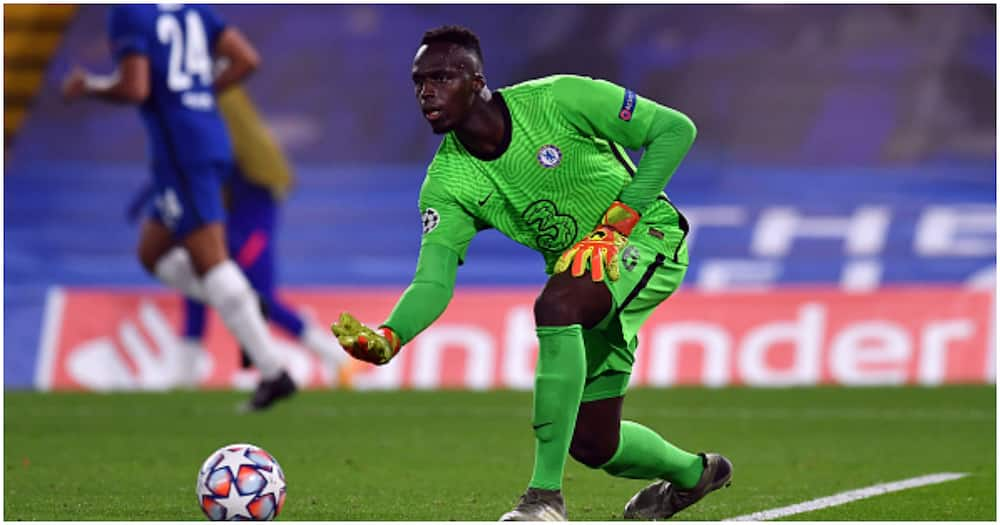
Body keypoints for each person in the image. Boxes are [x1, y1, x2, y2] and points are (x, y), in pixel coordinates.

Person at [330, 26, 732, 521]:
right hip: (587, 276)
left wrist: (618, 223)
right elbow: (433, 281)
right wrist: (391, 336)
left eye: (440, 77)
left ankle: (544, 500)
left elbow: (675, 130)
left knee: (555, 304)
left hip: (647, 239)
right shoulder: (446, 184)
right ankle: (696, 475)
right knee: (592, 442)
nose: (426, 92)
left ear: (476, 80)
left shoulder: (561, 98)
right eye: (418, 82)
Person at [61, 4, 296, 411]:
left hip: (182, 151)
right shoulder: (193, 10)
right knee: (152, 254)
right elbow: (246, 59)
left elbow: (136, 88)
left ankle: (274, 371)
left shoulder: (129, 14)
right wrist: (200, 93)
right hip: (206, 139)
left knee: (211, 261)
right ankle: (239, 301)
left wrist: (91, 86)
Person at [125, 86, 352, 389]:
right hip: (226, 219)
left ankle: (336, 358)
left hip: (249, 225)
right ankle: (184, 377)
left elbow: (193, 170)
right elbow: (180, 169)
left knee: (260, 300)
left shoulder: (230, 143)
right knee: (201, 281)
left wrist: (151, 199)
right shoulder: (209, 128)